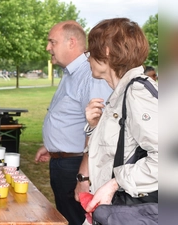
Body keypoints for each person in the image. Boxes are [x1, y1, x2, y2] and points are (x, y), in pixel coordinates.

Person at [77, 18, 158, 223]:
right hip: (111, 210)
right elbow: (123, 147)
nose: (87, 59)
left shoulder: (137, 92)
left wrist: (114, 184)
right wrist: (94, 129)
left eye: (89, 52)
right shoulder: (122, 92)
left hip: (127, 211)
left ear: (105, 51)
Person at [34, 20, 113, 225]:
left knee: (78, 220)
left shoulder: (90, 74)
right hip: (65, 161)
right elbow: (72, 117)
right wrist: (52, 146)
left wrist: (82, 178)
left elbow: (98, 130)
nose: (47, 47)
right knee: (67, 217)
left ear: (71, 42)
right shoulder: (71, 72)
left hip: (76, 166)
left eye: (52, 42)